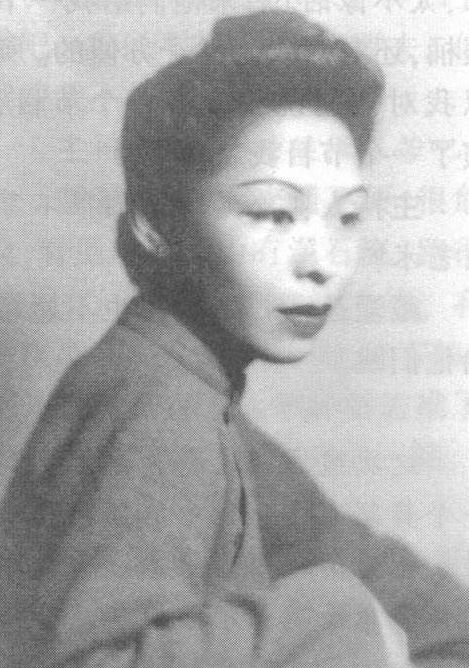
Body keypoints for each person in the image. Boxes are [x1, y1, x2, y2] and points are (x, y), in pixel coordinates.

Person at [0, 8, 468, 668]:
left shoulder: (188, 381)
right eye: (275, 213)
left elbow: (329, 544)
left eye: (347, 217)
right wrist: (345, 621)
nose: (322, 262)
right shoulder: (156, 405)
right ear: (157, 225)